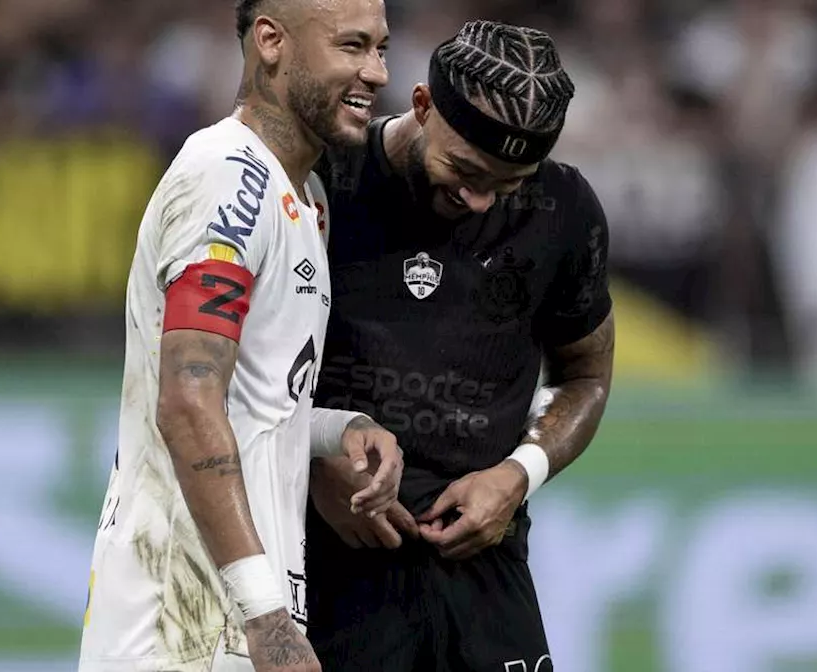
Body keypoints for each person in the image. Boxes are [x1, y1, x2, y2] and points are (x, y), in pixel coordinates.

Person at [78, 1, 398, 670]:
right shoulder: (227, 178)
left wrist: (339, 430)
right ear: (272, 41)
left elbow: (247, 402)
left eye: (381, 49)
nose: (376, 72)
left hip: (229, 616)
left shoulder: (305, 197)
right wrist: (268, 617)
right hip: (183, 624)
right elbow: (187, 403)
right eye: (352, 46)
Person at [305, 20, 615, 671]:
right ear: (421, 105)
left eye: (507, 184)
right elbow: (235, 374)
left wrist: (518, 476)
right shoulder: (321, 182)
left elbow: (583, 375)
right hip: (326, 560)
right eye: (465, 169)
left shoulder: (563, 211)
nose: (480, 201)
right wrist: (312, 461)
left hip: (483, 563)